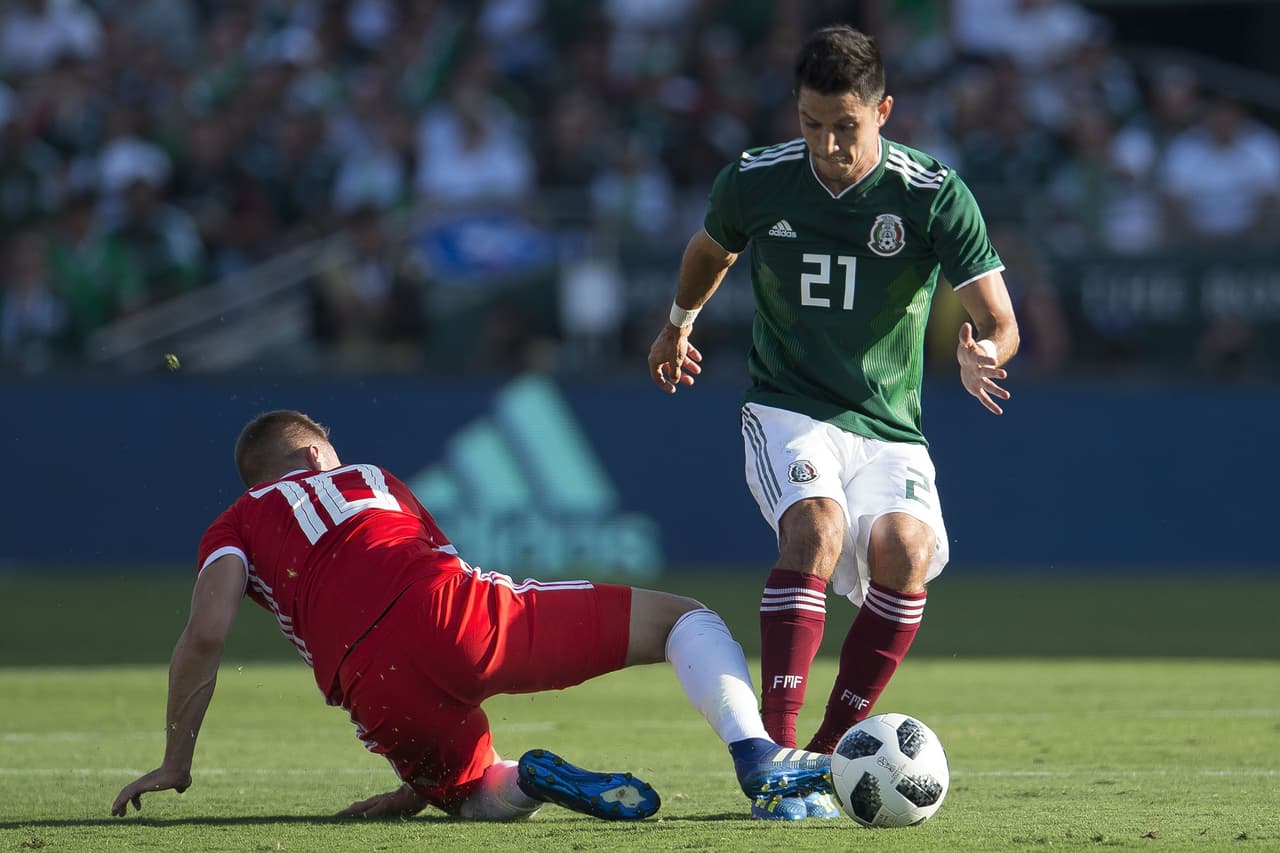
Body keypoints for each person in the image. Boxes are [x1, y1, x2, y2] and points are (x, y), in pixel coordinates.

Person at [110, 410, 832, 823]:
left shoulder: (231, 524)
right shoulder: (367, 475)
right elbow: (437, 580)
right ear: (312, 452)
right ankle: (756, 754)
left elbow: (206, 632)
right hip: (455, 612)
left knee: (469, 794)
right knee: (683, 621)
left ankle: (524, 779)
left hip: (371, 686)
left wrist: (178, 760)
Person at [646, 25, 1019, 821]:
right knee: (816, 525)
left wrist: (984, 350)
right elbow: (710, 250)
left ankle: (832, 750)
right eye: (812, 125)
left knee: (905, 551)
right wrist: (679, 321)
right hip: (788, 402)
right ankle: (776, 762)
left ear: (883, 110)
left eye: (845, 127)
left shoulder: (932, 193)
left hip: (889, 422)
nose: (828, 145)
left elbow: (1000, 317)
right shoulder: (758, 180)